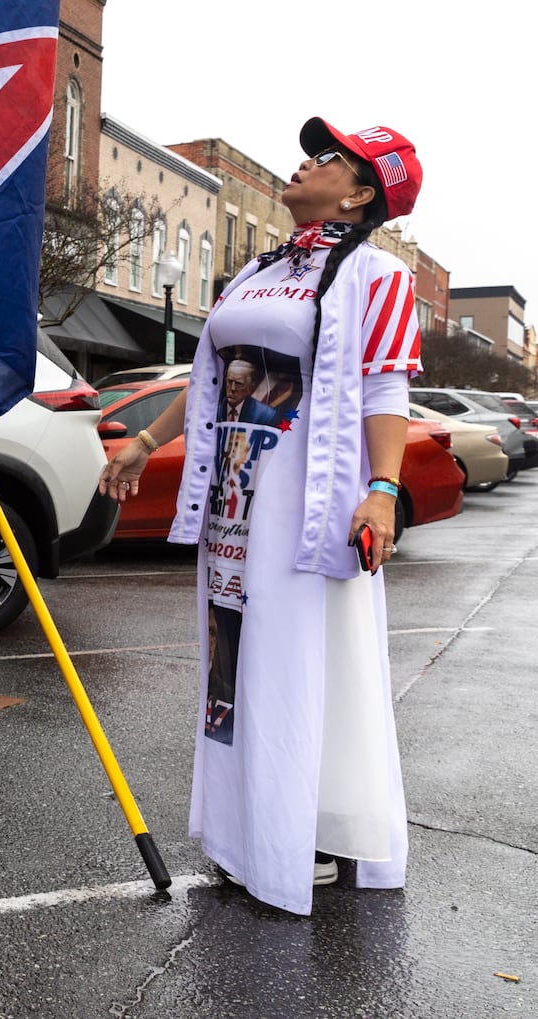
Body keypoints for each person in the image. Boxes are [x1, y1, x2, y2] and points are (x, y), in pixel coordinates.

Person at [100, 117, 423, 915]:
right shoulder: (256, 270)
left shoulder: (377, 277)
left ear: (359, 191)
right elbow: (216, 378)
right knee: (230, 667)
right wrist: (144, 440)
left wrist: (381, 489)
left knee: (291, 661)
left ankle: (301, 835)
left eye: (328, 158)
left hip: (304, 505)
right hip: (233, 501)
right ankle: (247, 836)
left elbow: (385, 390)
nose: (305, 163)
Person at [219, 358, 282, 426]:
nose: (233, 388)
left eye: (238, 383)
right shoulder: (213, 411)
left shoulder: (266, 416)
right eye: (230, 381)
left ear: (250, 387)